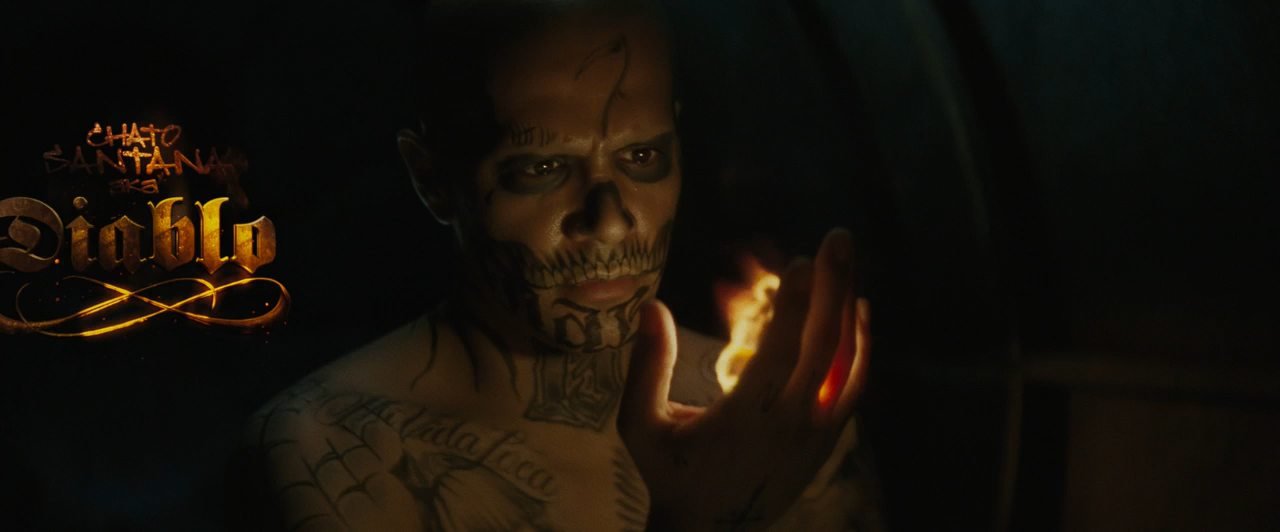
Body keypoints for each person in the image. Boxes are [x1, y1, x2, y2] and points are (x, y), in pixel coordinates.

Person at [235, 1, 871, 530]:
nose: (611, 219)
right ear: (433, 179)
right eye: (541, 168)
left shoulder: (768, 409)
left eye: (642, 157)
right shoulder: (336, 452)